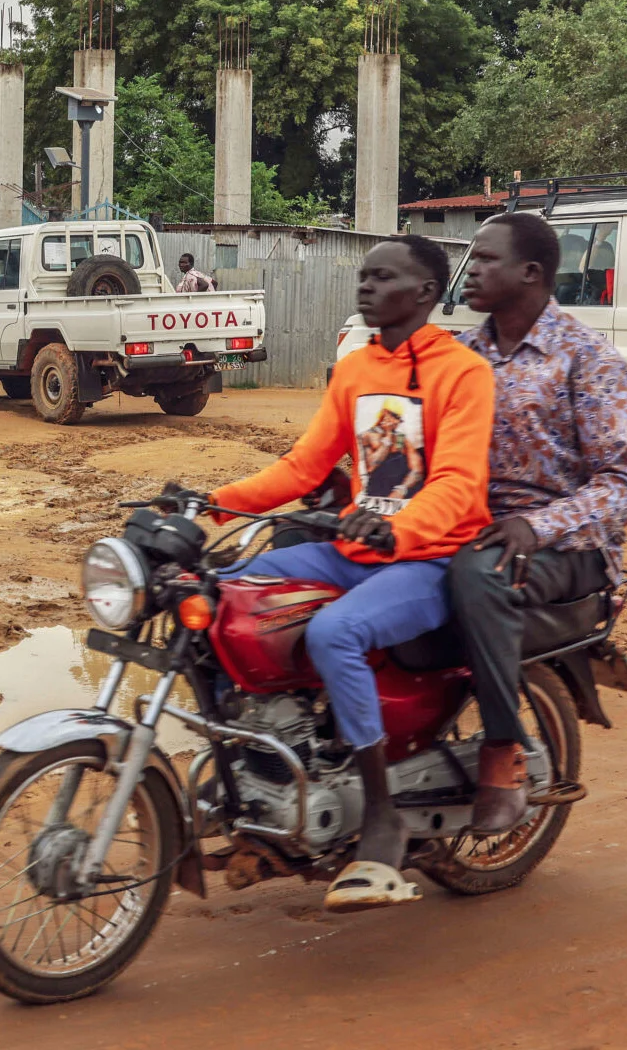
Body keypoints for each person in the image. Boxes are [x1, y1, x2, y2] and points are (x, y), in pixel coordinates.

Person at [208, 234, 494, 912]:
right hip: (353, 549)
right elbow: (305, 468)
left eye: (382, 277)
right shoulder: (357, 369)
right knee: (224, 592)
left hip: (431, 558)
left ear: (423, 293)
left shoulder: (462, 372)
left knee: (335, 632)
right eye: (363, 277)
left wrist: (399, 526)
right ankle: (257, 767)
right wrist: (214, 503)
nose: (365, 288)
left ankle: (383, 815)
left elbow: (457, 484)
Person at [448, 213, 627, 834]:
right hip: (476, 528)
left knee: (478, 576)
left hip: (568, 548)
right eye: (471, 258)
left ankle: (501, 752)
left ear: (531, 273)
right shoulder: (461, 355)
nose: (471, 270)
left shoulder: (587, 359)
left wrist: (537, 526)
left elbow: (626, 482)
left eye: (486, 259)